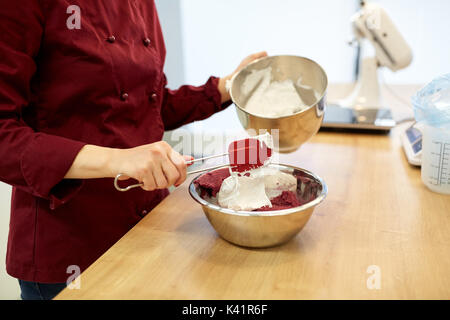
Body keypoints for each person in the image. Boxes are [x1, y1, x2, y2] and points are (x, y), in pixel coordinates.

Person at [0, 0, 267, 300]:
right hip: (72, 250)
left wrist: (226, 86)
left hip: (149, 229)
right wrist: (119, 159)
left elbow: (149, 105)